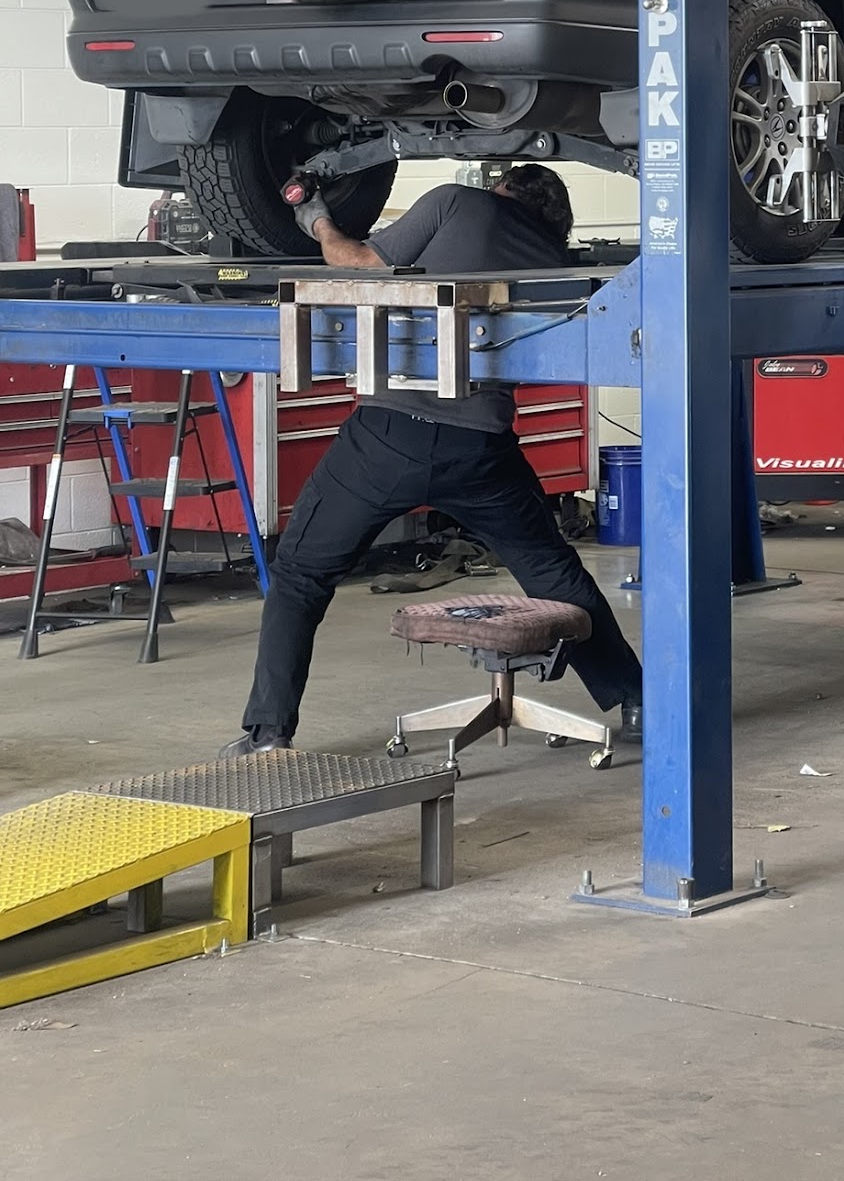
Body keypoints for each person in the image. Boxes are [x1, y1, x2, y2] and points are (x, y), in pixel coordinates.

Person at [221, 164, 643, 754]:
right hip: (481, 451)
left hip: (389, 438)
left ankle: (269, 733)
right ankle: (636, 701)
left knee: (300, 575)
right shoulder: (553, 257)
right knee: (553, 574)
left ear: (505, 189)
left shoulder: (458, 202)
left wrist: (316, 219)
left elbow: (358, 262)